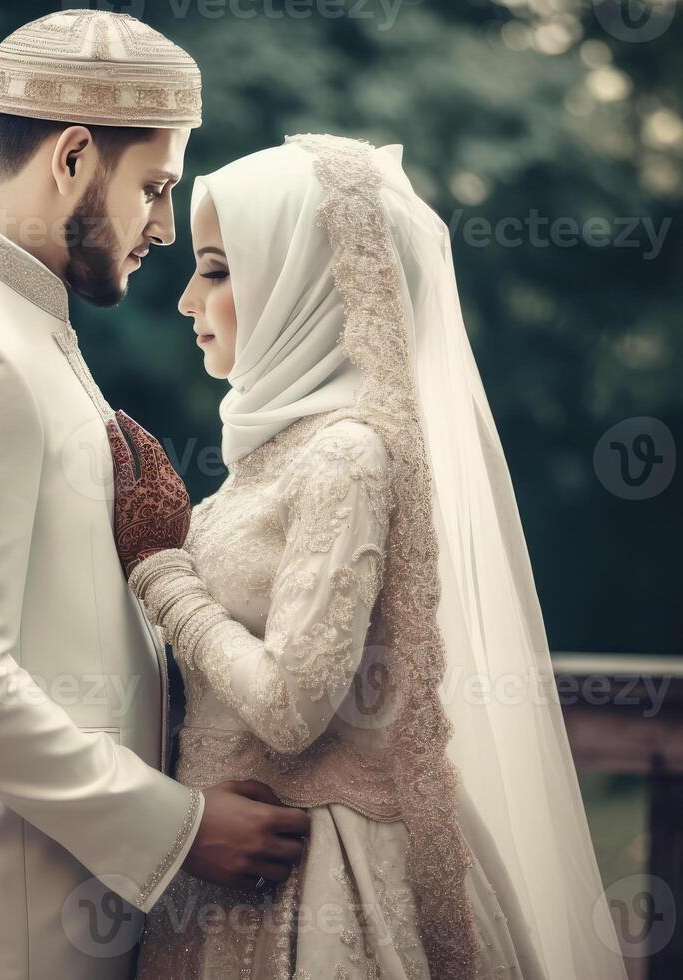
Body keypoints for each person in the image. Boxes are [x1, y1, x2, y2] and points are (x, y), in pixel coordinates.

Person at [0, 11, 307, 980]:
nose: (164, 228)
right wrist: (178, 827)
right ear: (74, 157)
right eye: (155, 188)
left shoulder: (13, 321)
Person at [109, 135, 630, 979]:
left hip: (316, 882)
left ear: (299, 282)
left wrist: (162, 574)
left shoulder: (347, 454)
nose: (186, 301)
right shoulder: (278, 452)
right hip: (224, 863)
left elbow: (289, 708)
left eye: (216, 268)